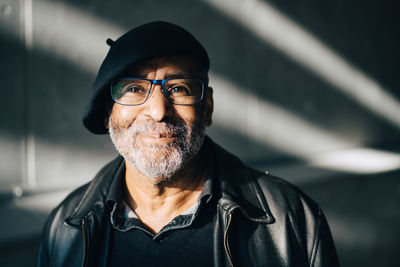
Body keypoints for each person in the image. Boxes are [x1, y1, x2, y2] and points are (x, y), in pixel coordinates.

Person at [37, 21, 339, 267]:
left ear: (206, 108)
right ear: (107, 114)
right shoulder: (66, 229)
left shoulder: (290, 220)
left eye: (179, 88)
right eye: (133, 88)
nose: (158, 111)